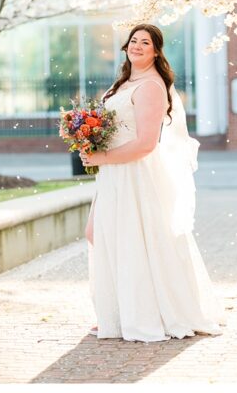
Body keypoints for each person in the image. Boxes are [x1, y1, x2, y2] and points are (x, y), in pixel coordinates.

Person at [80, 23, 223, 342]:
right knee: (98, 234)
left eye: (146, 42)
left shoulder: (152, 87)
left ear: (156, 51)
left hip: (136, 172)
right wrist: (91, 141)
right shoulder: (126, 82)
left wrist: (102, 157)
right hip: (115, 171)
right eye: (133, 41)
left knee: (133, 240)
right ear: (126, 47)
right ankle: (117, 311)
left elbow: (146, 143)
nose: (138, 46)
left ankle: (143, 313)